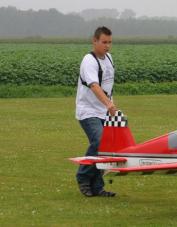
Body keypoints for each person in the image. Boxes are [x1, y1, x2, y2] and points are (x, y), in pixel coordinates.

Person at [75, 26, 117, 197]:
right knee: (99, 141)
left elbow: (108, 86)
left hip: (105, 111)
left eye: (110, 42)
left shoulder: (109, 59)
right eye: (104, 42)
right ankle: (83, 177)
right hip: (88, 111)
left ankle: (98, 187)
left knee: (106, 148)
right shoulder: (89, 60)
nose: (107, 46)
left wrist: (112, 105)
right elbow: (94, 85)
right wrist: (108, 104)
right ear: (94, 41)